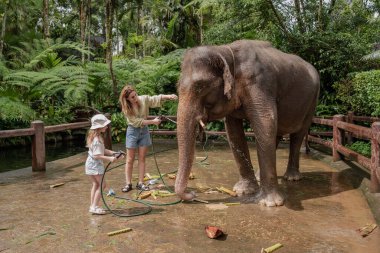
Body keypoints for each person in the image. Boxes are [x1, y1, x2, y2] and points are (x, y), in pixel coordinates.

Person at [119, 85, 178, 192]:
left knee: (142, 158)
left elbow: (155, 98)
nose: (135, 98)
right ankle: (128, 184)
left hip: (144, 131)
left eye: (135, 95)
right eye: (132, 97)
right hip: (132, 131)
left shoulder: (143, 99)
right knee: (130, 159)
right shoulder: (126, 108)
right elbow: (137, 122)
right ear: (127, 99)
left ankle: (140, 183)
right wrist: (152, 122)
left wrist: (169, 96)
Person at [85, 114, 124, 215]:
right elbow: (97, 155)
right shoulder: (97, 140)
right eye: (105, 125)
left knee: (96, 184)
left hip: (90, 164)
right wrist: (110, 158)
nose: (107, 127)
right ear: (99, 127)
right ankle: (94, 206)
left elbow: (103, 150)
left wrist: (113, 153)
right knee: (102, 185)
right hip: (95, 165)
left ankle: (92, 205)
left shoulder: (95, 136)